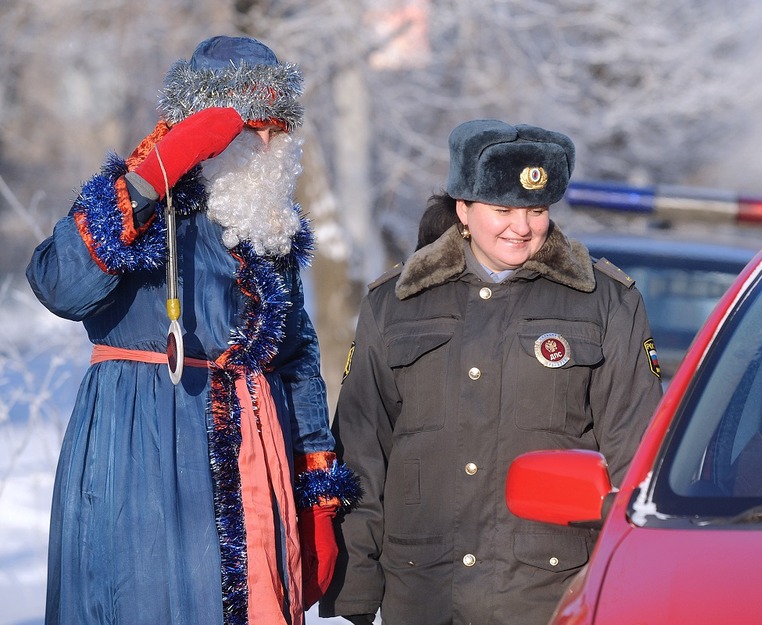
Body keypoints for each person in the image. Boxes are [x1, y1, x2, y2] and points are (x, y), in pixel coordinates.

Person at [26, 35, 359, 625]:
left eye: (272, 130)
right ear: (203, 132)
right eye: (245, 128)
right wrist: (152, 178)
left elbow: (296, 357)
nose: (262, 145)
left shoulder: (269, 225)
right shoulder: (141, 205)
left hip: (260, 454)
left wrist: (319, 499)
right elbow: (60, 286)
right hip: (144, 449)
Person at [319, 119, 664, 624]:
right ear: (463, 208)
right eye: (502, 209)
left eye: (536, 211)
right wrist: (354, 588)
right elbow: (361, 449)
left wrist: (632, 581)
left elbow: (637, 454)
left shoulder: (606, 302)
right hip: (422, 591)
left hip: (547, 593)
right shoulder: (395, 303)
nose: (520, 228)